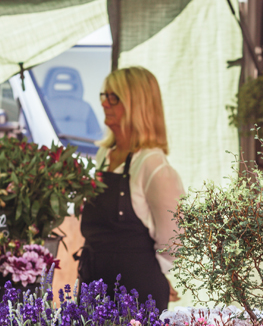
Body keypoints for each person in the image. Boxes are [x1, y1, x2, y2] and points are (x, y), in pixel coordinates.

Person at [77, 66, 184, 310]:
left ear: (137, 106)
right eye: (104, 96)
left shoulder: (152, 165)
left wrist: (154, 274)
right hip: (93, 287)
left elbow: (174, 241)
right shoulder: (104, 155)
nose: (105, 104)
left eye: (114, 98)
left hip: (136, 297)